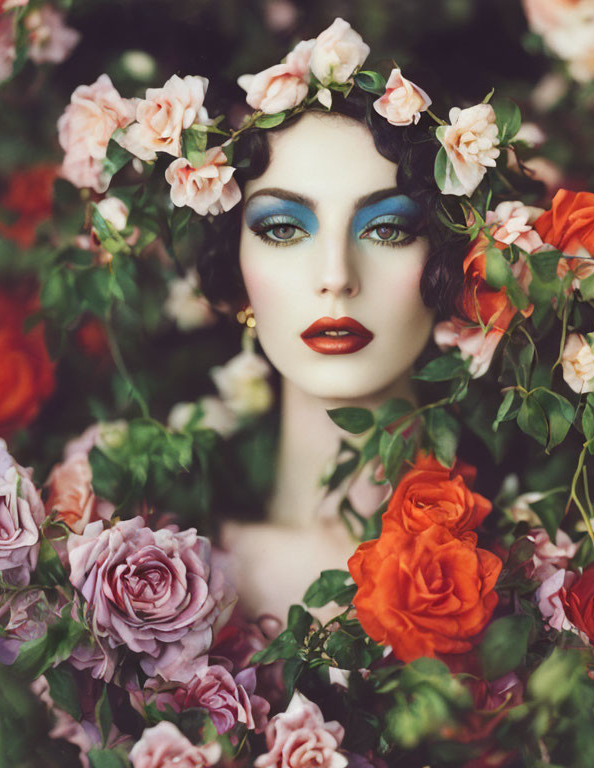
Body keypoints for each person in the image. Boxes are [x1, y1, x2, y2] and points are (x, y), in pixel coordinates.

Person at [199, 89, 467, 620]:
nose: (336, 278)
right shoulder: (176, 573)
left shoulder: (533, 564)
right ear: (237, 277)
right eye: (283, 229)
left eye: (388, 229)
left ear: (449, 264)